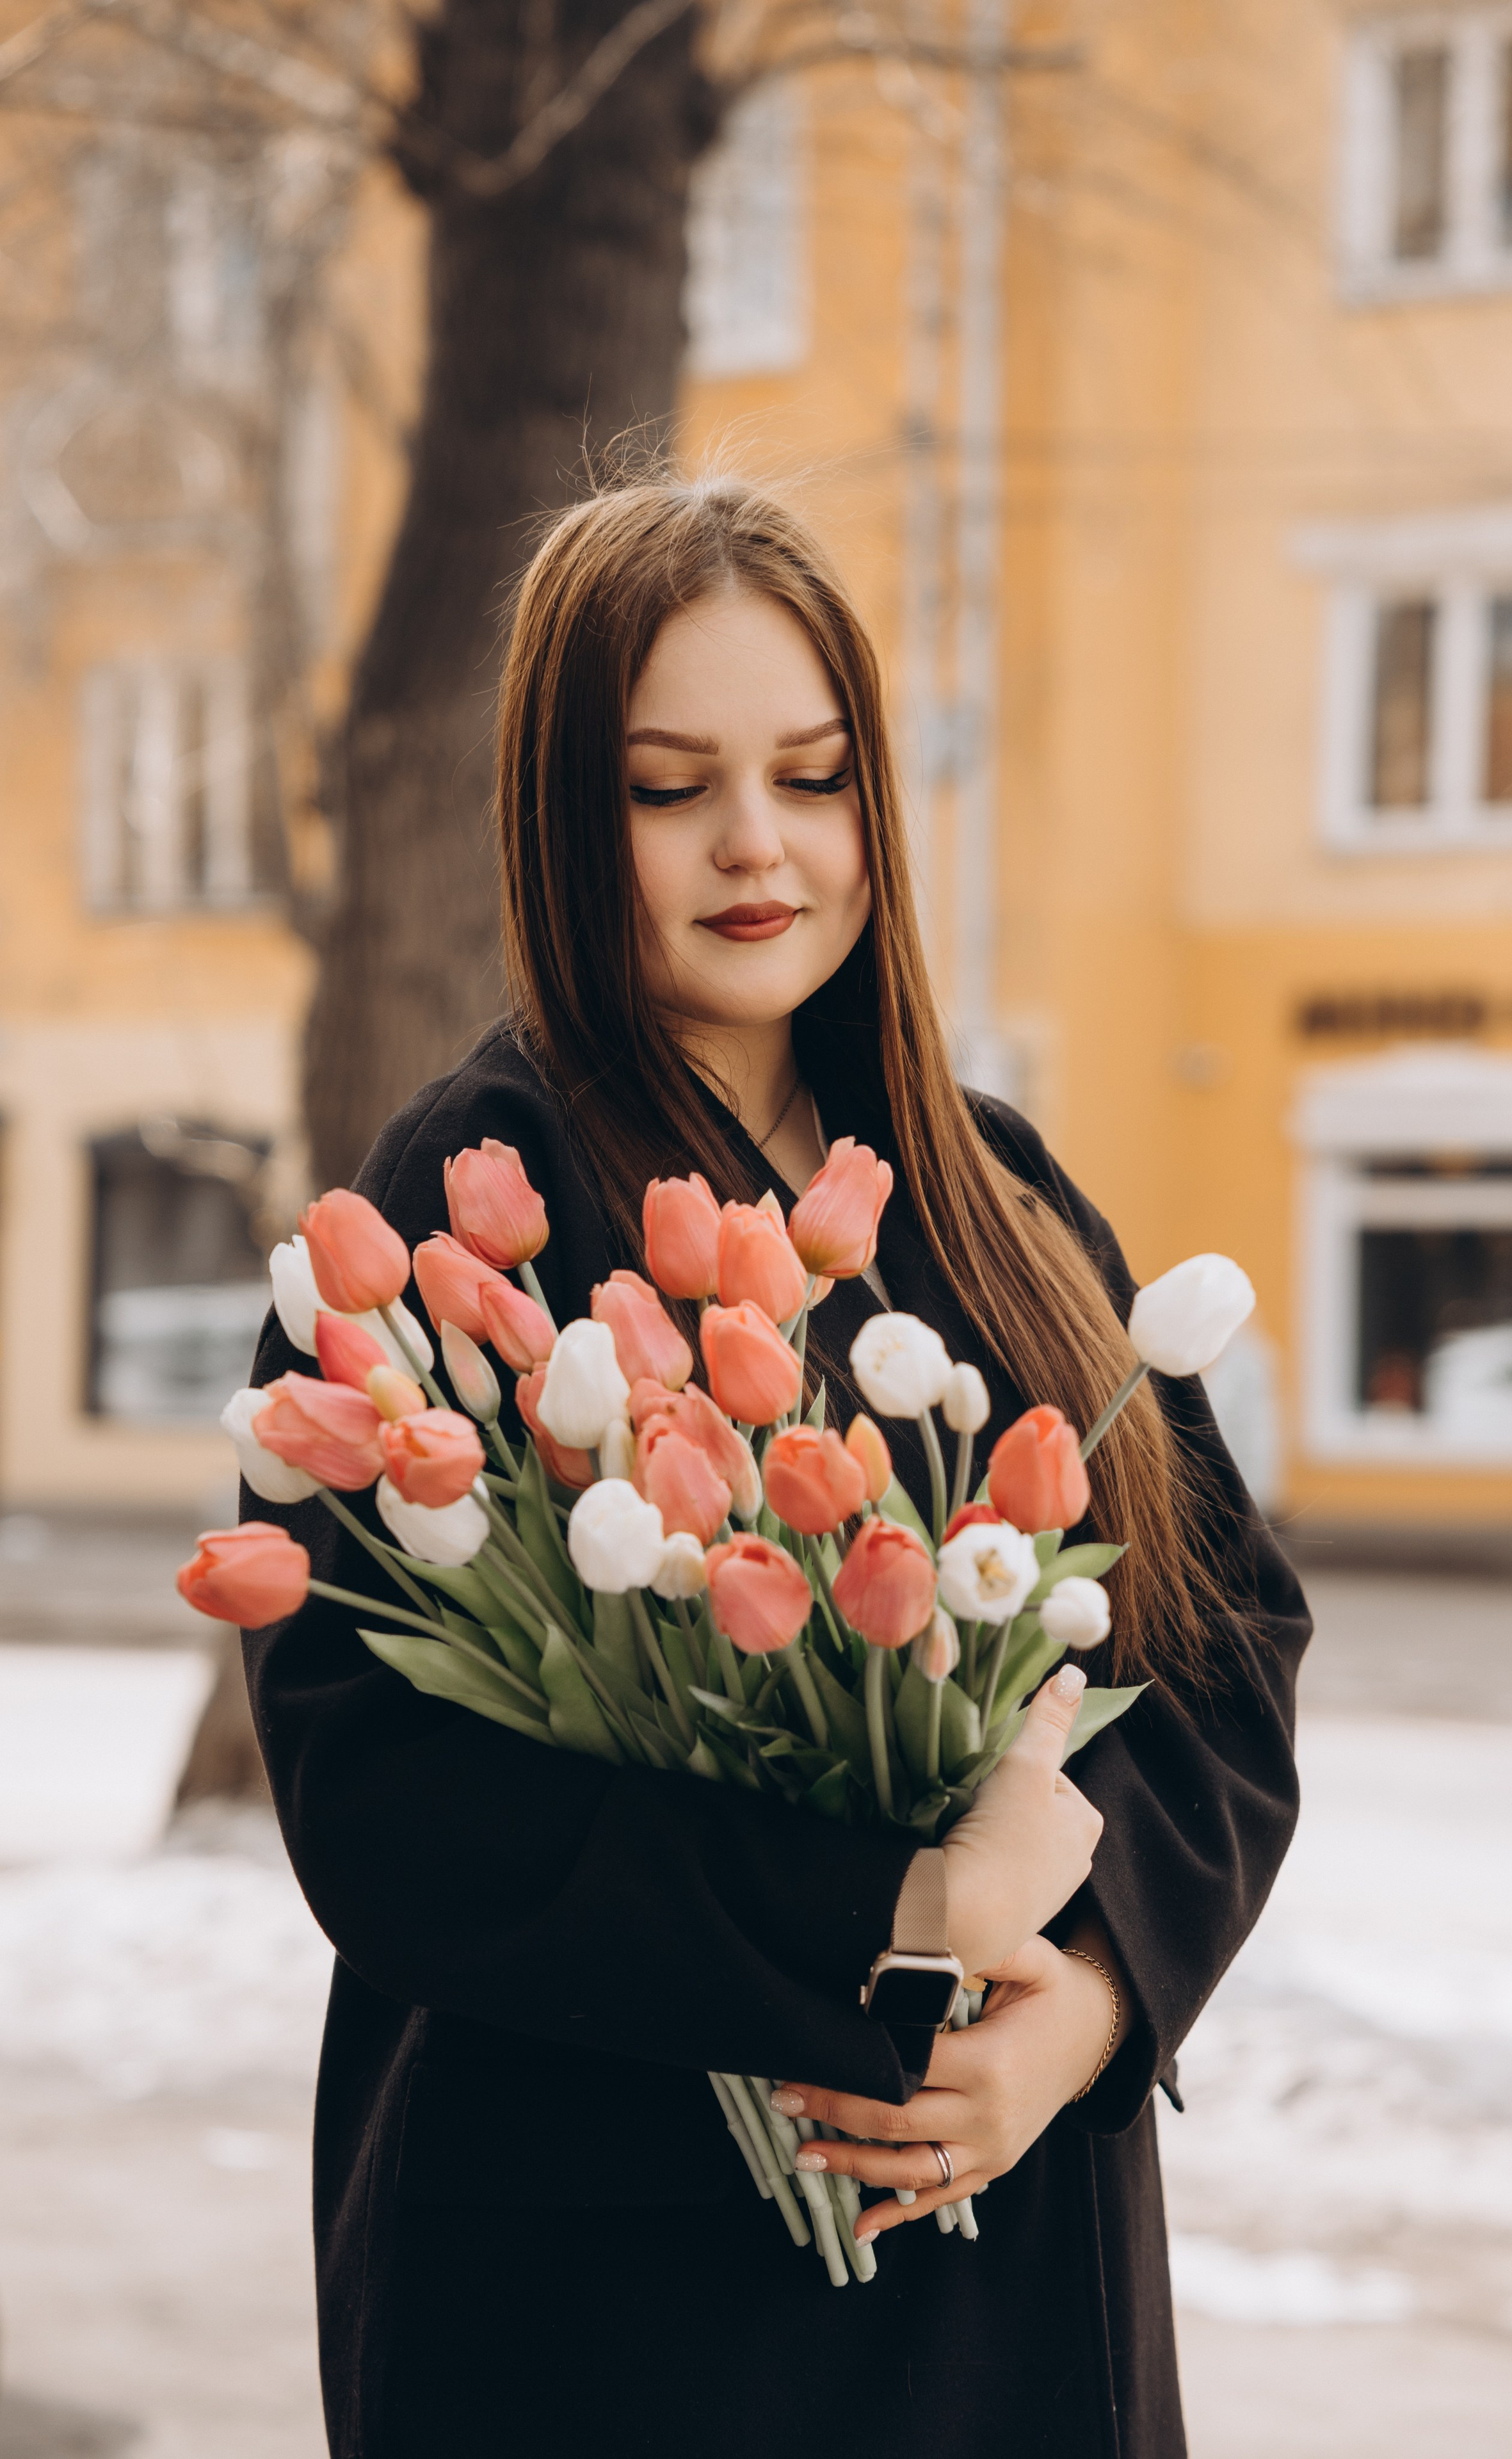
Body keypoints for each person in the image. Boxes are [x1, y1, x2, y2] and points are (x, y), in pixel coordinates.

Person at [243, 474, 1310, 2459]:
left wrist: (1085, 2000)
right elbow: (384, 1798)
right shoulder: (456, 1225)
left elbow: (1224, 1639)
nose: (760, 845)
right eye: (671, 787)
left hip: (1010, 2301)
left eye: (813, 776)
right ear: (566, 810)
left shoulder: (986, 1189)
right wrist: (888, 1899)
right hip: (615, 2311)